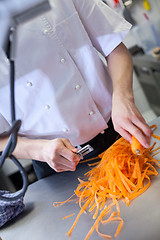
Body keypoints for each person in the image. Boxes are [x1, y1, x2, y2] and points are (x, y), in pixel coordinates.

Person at [0, 0, 152, 180]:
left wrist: (123, 97)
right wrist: (40, 150)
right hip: (56, 163)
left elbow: (114, 48)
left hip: (119, 133)